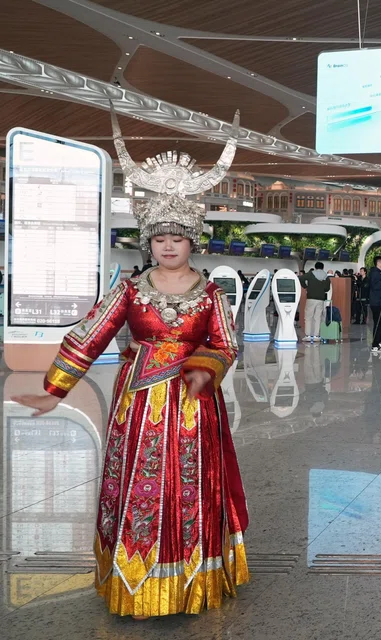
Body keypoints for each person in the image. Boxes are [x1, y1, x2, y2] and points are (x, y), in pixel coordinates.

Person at [13, 113, 248, 618]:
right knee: (136, 487)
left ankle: (191, 578)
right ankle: (135, 580)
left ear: (192, 241)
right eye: (159, 239)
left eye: (177, 238)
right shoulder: (129, 290)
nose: (168, 246)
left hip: (192, 408)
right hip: (137, 410)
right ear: (149, 242)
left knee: (189, 489)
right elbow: (89, 334)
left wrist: (205, 368)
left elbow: (227, 345)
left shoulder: (211, 294)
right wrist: (54, 390)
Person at [301, 261, 331, 343]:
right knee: (318, 317)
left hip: (311, 298)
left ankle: (308, 335)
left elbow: (301, 278)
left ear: (315, 267)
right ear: (323, 267)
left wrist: (305, 286)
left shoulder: (310, 274)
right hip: (321, 299)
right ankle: (316, 336)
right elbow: (327, 288)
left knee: (308, 317)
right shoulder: (325, 276)